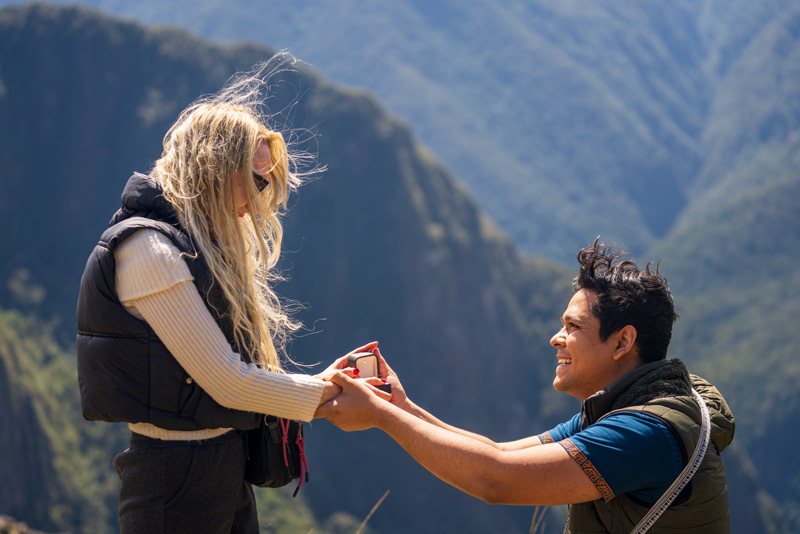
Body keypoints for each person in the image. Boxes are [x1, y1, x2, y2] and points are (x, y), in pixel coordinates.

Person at [76, 59, 370, 534]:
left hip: (219, 458)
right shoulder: (149, 250)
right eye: (255, 181)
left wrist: (323, 382)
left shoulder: (193, 244)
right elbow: (227, 382)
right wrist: (327, 396)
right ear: (213, 167)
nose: (260, 198)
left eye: (267, 182)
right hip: (174, 473)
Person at [318, 240, 735, 533]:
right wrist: (402, 406)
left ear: (623, 342)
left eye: (573, 327)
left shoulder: (642, 434)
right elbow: (497, 454)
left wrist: (381, 417)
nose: (556, 338)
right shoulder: (624, 409)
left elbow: (496, 480)